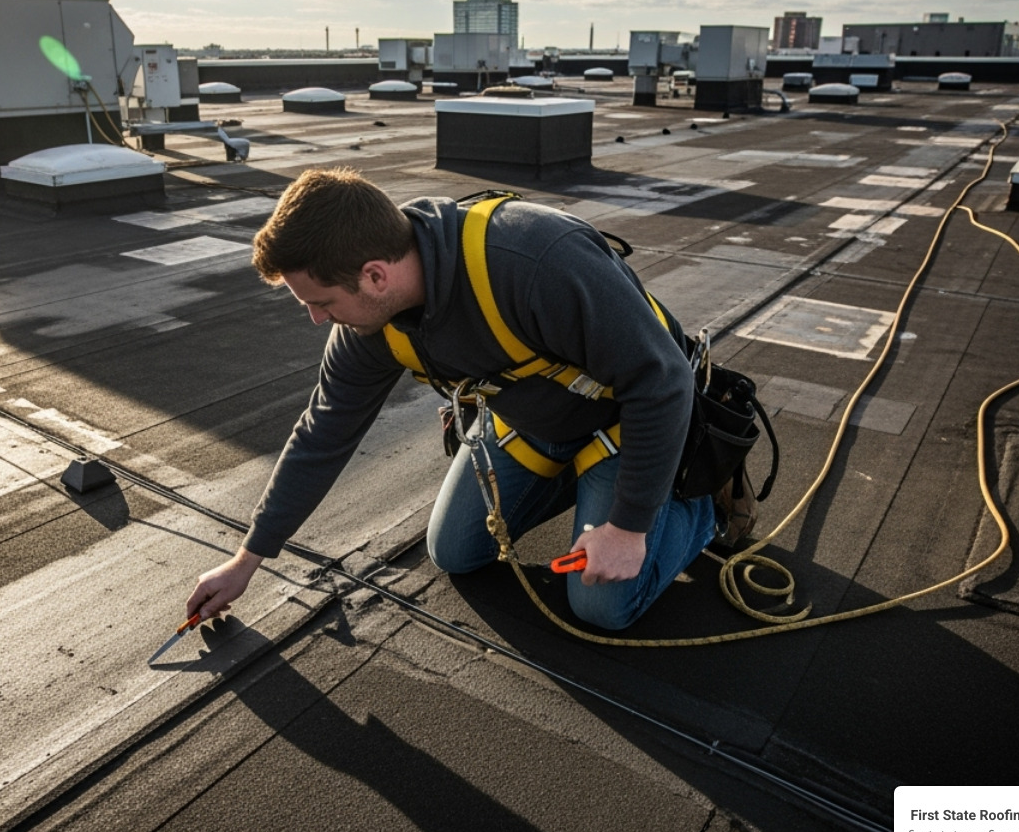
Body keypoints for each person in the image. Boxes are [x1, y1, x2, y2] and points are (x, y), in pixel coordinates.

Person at [185, 167, 718, 632]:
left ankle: (698, 507)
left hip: (627, 418)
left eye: (322, 302)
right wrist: (246, 560)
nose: (317, 318)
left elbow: (662, 381)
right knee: (455, 552)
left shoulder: (534, 259)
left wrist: (627, 527)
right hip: (530, 421)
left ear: (375, 275)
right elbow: (322, 434)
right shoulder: (370, 326)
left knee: (601, 604)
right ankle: (587, 487)